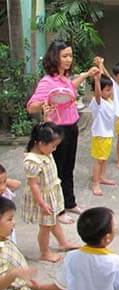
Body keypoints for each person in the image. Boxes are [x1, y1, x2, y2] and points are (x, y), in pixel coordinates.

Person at [27, 40, 98, 224]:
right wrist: (44, 106)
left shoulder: (64, 78)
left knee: (68, 168)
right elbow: (31, 107)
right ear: (54, 58)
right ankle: (58, 211)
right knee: (56, 171)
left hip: (72, 127)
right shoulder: (47, 82)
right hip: (57, 132)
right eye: (65, 56)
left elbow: (70, 88)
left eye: (70, 56)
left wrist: (85, 75)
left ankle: (70, 202)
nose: (69, 59)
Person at [22, 123, 79, 262]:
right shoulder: (32, 161)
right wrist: (42, 203)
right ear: (41, 143)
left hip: (51, 193)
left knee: (53, 222)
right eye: (53, 146)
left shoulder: (44, 150)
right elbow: (33, 184)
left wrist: (47, 117)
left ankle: (63, 243)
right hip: (43, 197)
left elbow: (45, 126)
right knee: (45, 227)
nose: (54, 149)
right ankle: (44, 252)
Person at [88, 70, 116, 196]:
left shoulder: (109, 100)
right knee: (98, 160)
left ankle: (102, 177)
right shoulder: (97, 102)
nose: (110, 92)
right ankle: (95, 183)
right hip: (100, 135)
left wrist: (101, 66)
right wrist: (98, 80)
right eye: (108, 90)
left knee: (104, 159)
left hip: (107, 135)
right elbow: (98, 94)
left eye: (111, 89)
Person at [0, 164, 21, 243]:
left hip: (8, 238)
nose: (3, 187)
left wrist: (3, 179)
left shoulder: (4, 193)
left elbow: (17, 184)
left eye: (4, 182)